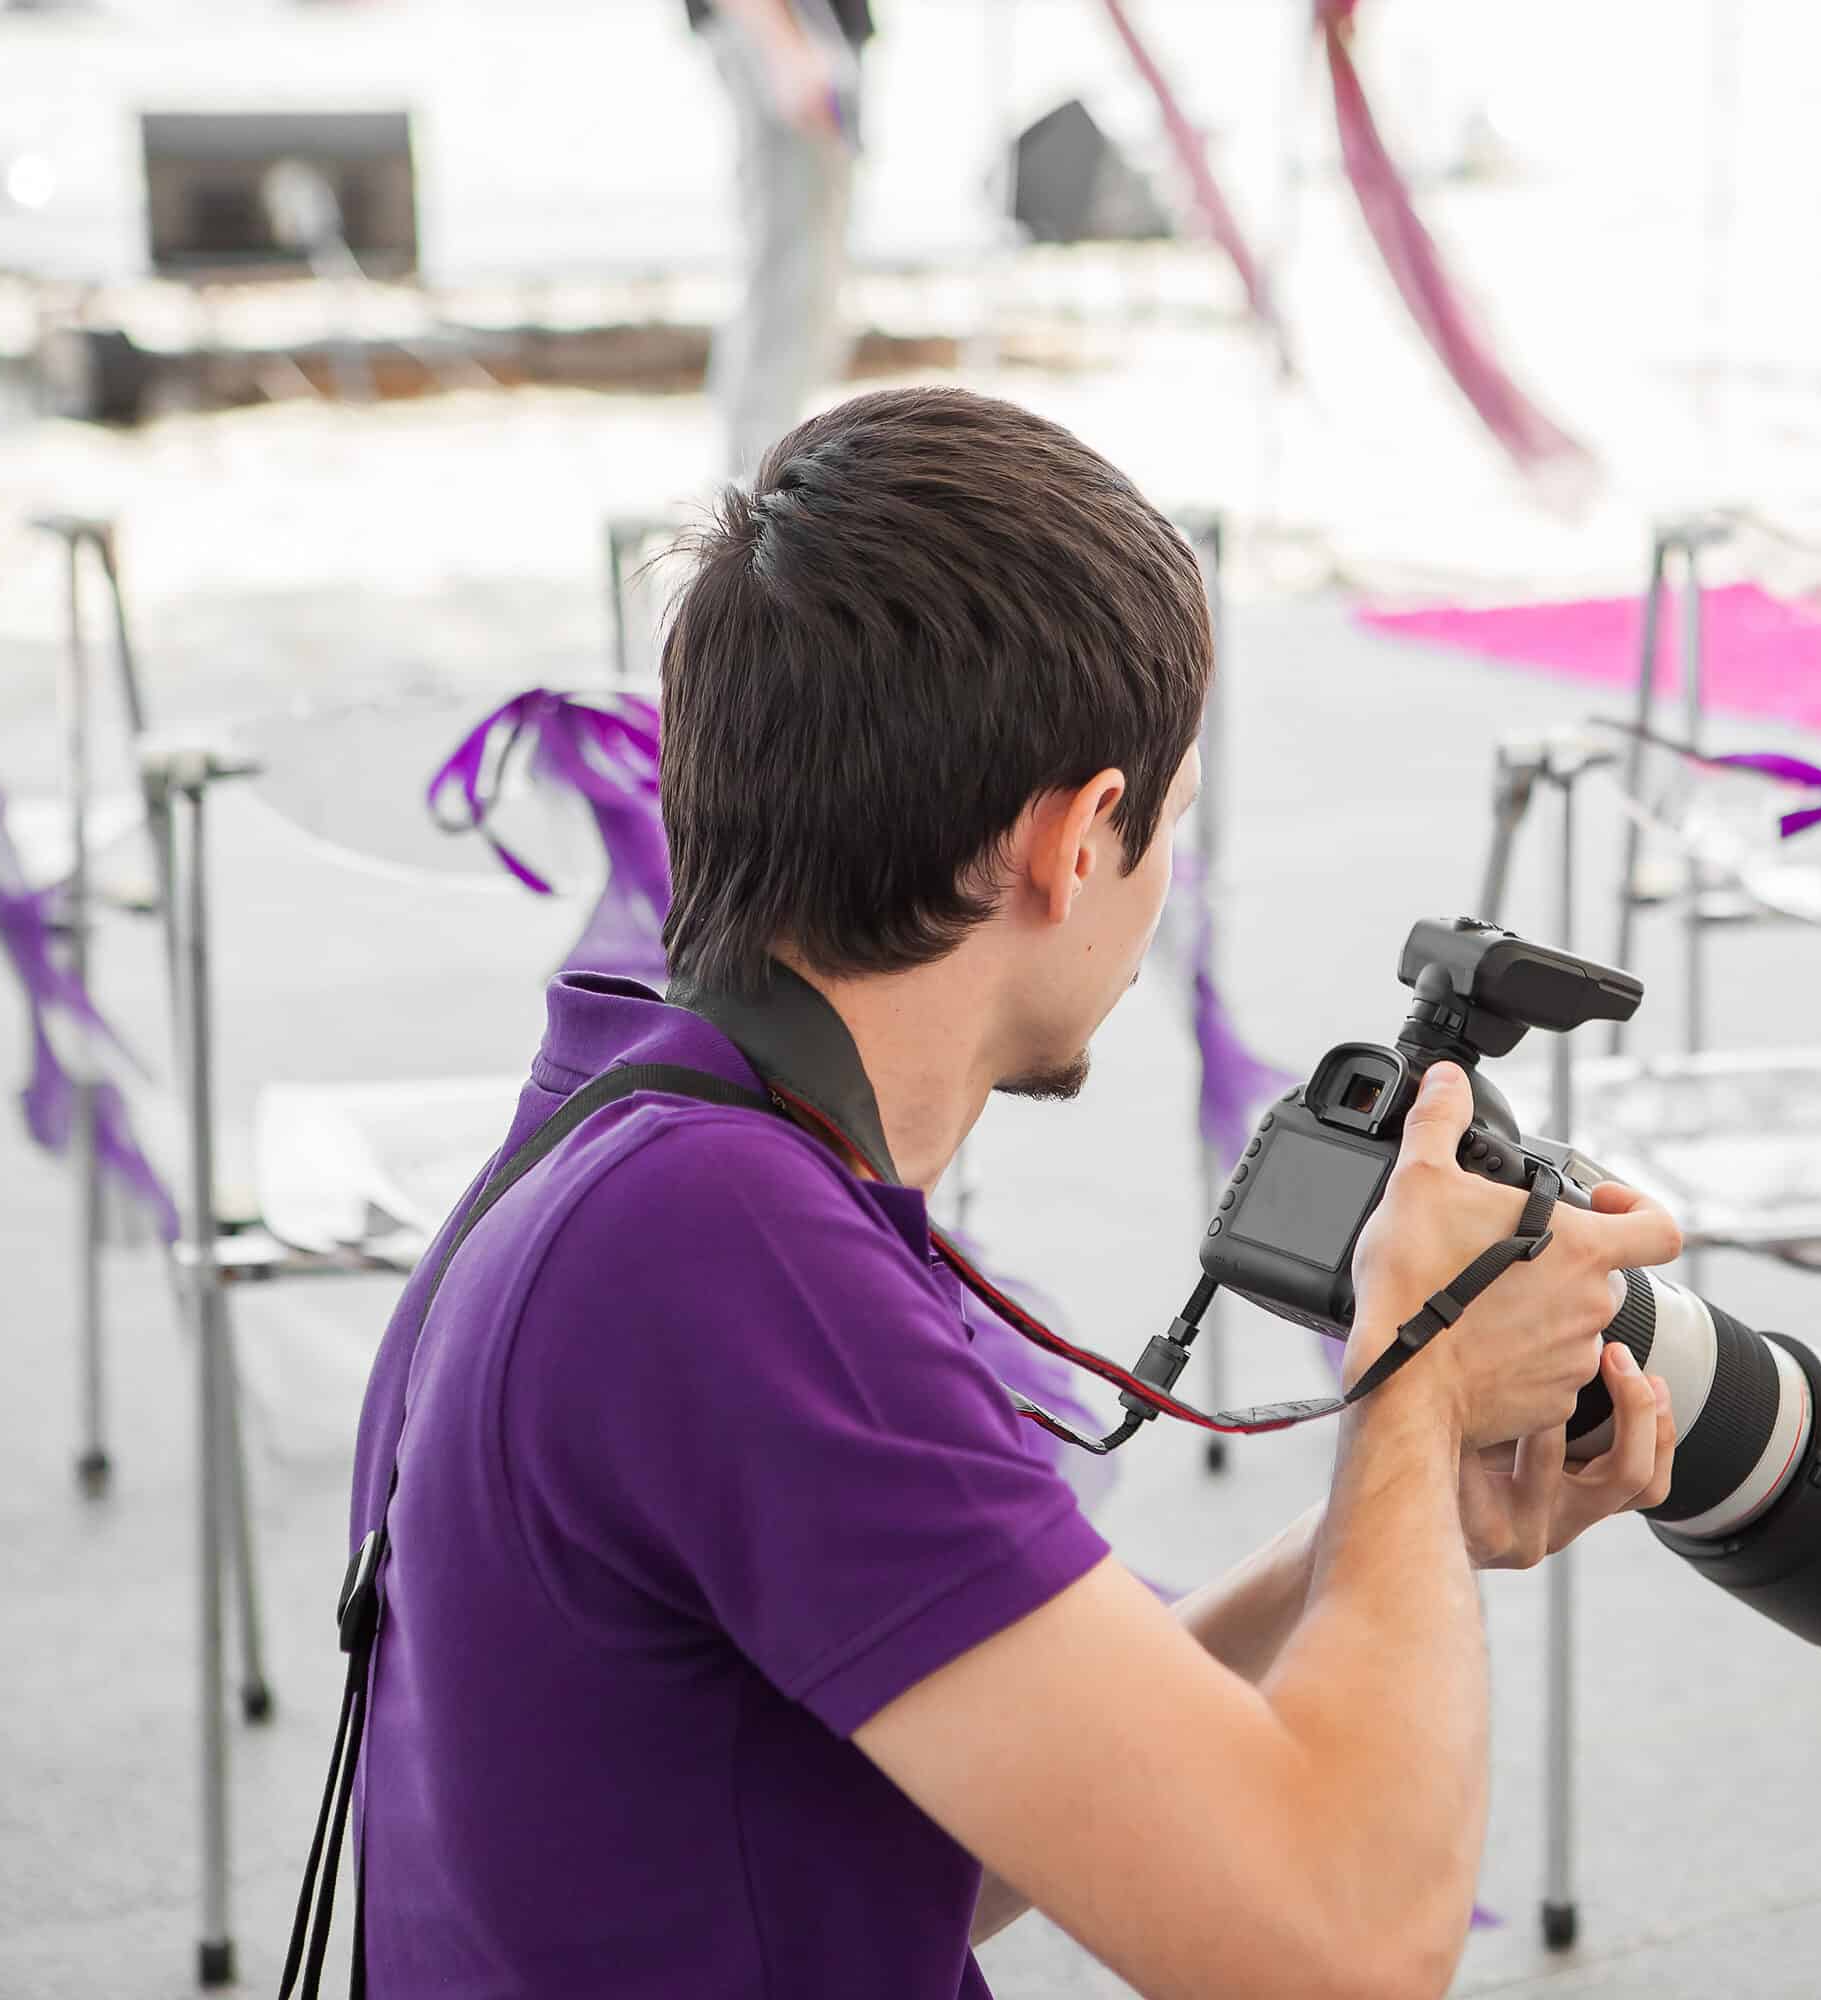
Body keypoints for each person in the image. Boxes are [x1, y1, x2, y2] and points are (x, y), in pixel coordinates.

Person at [346, 387, 1682, 1997]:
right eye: (1164, 826)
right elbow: (1344, 1954)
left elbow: (930, 1829)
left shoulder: (631, 1132)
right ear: (1076, 837)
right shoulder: (732, 1266)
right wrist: (1420, 1372)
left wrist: (1369, 1536)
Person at [689, 0, 871, 477]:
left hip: (808, 33)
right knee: (792, 281)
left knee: (810, 280)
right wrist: (783, 42)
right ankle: (752, 491)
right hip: (789, 32)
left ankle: (757, 485)